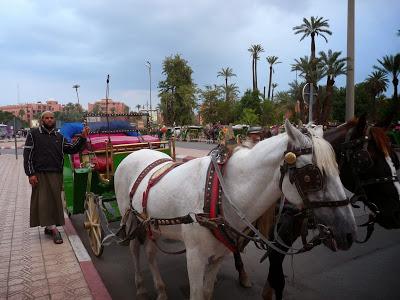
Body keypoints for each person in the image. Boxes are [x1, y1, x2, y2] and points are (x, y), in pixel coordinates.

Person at [23, 111, 89, 244]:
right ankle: (54, 229)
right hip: (40, 174)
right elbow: (27, 155)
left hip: (56, 174)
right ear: (42, 120)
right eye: (46, 118)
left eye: (51, 118)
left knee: (54, 201)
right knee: (44, 202)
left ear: (54, 120)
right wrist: (31, 173)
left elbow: (71, 149)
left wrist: (82, 137)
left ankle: (49, 226)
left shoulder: (59, 136)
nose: (49, 120)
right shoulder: (33, 134)